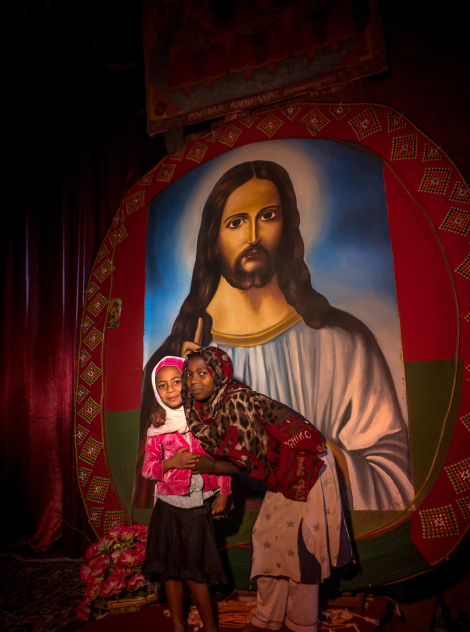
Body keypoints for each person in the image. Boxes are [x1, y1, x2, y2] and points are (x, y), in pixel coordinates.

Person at [133, 159, 414, 512]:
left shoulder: (344, 342)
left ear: (288, 225)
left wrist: (298, 454)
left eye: (267, 216)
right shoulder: (175, 362)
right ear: (213, 239)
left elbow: (391, 475)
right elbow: (153, 474)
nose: (253, 237)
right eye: (236, 223)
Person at [182, 346, 354, 632]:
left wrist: (209, 466)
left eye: (203, 373)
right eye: (190, 374)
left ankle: (300, 626)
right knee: (266, 537)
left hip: (306, 467)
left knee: (303, 547)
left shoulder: (236, 400)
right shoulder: (205, 409)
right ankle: (267, 618)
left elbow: (246, 460)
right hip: (280, 473)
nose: (194, 381)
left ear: (219, 374)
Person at [141, 355, 231, 632]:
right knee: (171, 573)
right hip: (166, 505)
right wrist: (171, 462)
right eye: (162, 385)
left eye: (176, 382)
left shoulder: (204, 419)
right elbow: (147, 470)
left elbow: (222, 458)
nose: (170, 390)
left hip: (195, 505)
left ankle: (210, 630)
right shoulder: (158, 426)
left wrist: (224, 493)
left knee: (195, 574)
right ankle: (178, 628)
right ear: (157, 392)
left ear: (188, 382)